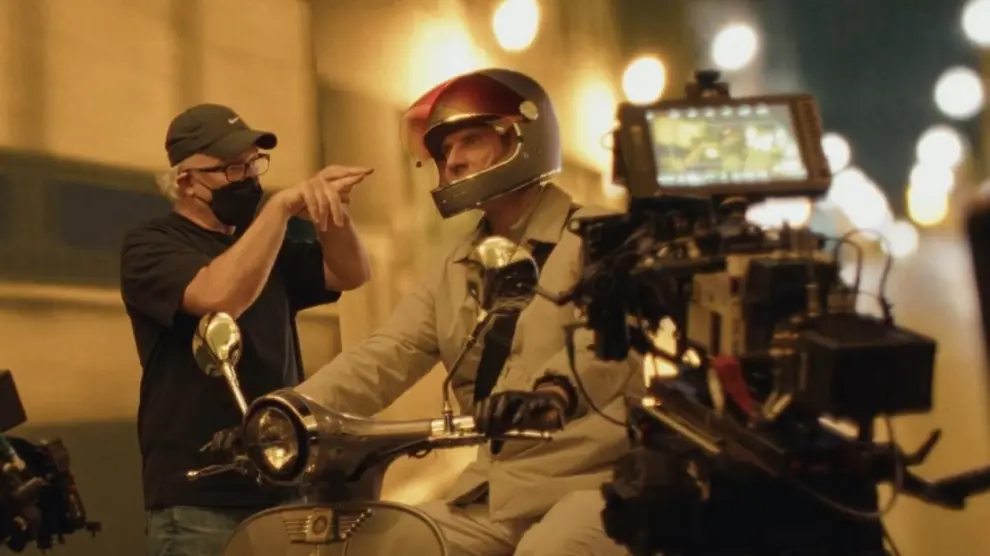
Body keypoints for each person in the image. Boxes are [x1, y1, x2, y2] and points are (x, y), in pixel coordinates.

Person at [296, 69, 640, 556]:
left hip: (591, 486)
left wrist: (551, 393)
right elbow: (387, 353)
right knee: (379, 546)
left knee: (548, 550)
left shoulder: (598, 235)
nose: (453, 161)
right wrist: (289, 410)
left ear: (523, 137)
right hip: (495, 492)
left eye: (471, 141)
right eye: (445, 151)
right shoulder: (456, 265)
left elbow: (603, 345)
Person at [120, 103, 373, 556]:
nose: (249, 179)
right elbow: (219, 298)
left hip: (283, 484)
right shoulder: (151, 245)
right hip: (200, 501)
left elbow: (350, 273)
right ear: (186, 181)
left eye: (253, 164)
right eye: (232, 168)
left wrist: (329, 211)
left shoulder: (263, 243)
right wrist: (280, 208)